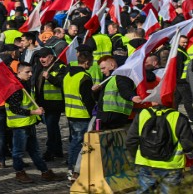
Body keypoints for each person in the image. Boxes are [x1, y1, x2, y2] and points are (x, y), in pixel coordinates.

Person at [5, 62, 65, 183]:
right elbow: (14, 108)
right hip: (20, 125)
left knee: (34, 150)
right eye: (27, 72)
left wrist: (37, 109)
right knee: (18, 151)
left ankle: (44, 172)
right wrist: (34, 112)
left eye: (31, 71)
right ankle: (19, 173)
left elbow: (28, 101)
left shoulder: (24, 84)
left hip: (29, 123)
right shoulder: (15, 87)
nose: (31, 74)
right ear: (19, 72)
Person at [125, 102, 193, 194]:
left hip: (146, 163)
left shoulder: (142, 114)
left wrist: (138, 156)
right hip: (171, 166)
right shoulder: (179, 117)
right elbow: (188, 145)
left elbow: (130, 141)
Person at [62, 52, 96, 182]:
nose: (92, 65)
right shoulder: (84, 77)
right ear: (87, 62)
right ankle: (73, 169)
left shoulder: (67, 76)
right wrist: (94, 112)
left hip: (70, 113)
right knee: (78, 143)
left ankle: (72, 168)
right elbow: (88, 99)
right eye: (91, 63)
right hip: (82, 114)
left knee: (74, 142)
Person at [33, 46, 67, 161]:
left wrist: (50, 77)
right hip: (43, 104)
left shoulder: (60, 66)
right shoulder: (40, 67)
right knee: (52, 127)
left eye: (44, 57)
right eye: (39, 57)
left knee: (51, 127)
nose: (41, 59)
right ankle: (57, 150)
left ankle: (51, 150)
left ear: (51, 57)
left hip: (55, 104)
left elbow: (62, 83)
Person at [92, 55, 135, 130]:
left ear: (112, 65)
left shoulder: (120, 76)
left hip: (112, 116)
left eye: (103, 68)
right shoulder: (109, 79)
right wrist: (95, 91)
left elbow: (125, 89)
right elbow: (100, 98)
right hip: (107, 115)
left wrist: (132, 97)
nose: (101, 71)